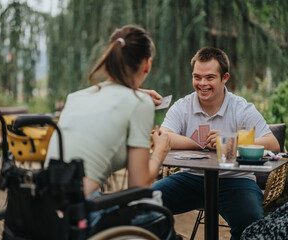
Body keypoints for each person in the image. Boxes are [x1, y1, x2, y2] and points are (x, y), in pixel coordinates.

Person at [151, 46, 280, 240]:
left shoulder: (241, 108)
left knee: (251, 225)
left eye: (210, 77)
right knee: (141, 206)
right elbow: (163, 136)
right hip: (191, 178)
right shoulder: (183, 106)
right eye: (197, 77)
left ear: (225, 77)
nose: (202, 83)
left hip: (236, 179)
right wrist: (199, 143)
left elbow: (273, 143)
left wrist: (231, 141)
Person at [44, 25, 171, 198]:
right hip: (76, 209)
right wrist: (160, 151)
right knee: (158, 214)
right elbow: (138, 184)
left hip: (42, 201)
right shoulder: (140, 104)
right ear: (147, 64)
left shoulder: (76, 97)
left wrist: (136, 92)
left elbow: (107, 92)